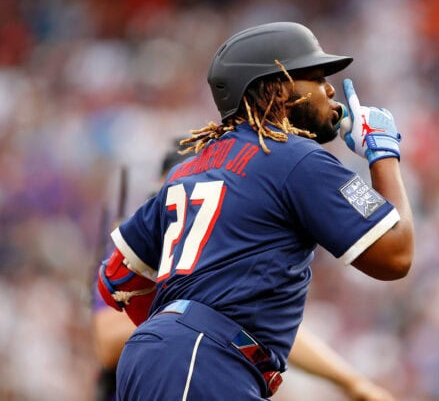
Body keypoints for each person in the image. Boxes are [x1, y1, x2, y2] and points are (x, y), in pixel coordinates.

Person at [97, 21, 414, 400]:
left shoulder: (191, 166)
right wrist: (384, 155)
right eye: (314, 77)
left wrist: (171, 328)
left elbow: (118, 276)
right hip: (202, 361)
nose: (330, 89)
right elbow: (395, 255)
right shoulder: (294, 157)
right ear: (278, 89)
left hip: (178, 359)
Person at [92, 142, 397, 401]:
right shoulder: (151, 248)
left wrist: (351, 382)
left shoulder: (225, 248)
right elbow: (107, 339)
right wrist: (187, 319)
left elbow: (246, 329)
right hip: (170, 371)